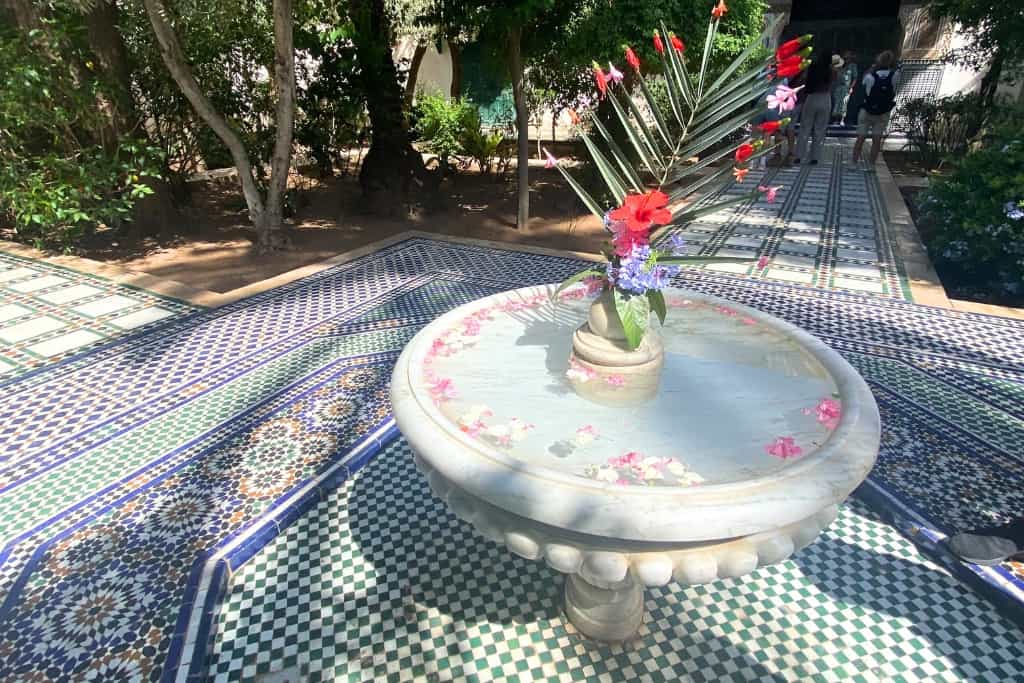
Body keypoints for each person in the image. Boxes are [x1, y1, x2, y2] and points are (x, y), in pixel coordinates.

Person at [852, 50, 901, 168]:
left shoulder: (870, 76)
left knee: (861, 137)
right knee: (876, 139)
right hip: (883, 113)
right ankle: (871, 165)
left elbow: (864, 83)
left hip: (867, 111)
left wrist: (871, 69)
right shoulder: (895, 75)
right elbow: (895, 88)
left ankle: (853, 163)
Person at [793, 54, 834, 166]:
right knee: (820, 129)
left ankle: (799, 156)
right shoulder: (831, 71)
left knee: (805, 127)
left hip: (812, 97)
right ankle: (815, 157)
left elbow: (805, 80)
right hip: (825, 97)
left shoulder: (813, 68)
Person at [831, 50, 858, 125]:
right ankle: (835, 119)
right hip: (837, 86)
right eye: (845, 57)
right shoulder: (839, 64)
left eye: (848, 57)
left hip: (846, 87)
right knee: (836, 103)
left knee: (844, 103)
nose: (846, 59)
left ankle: (842, 119)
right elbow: (834, 74)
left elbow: (855, 77)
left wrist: (851, 87)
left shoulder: (853, 66)